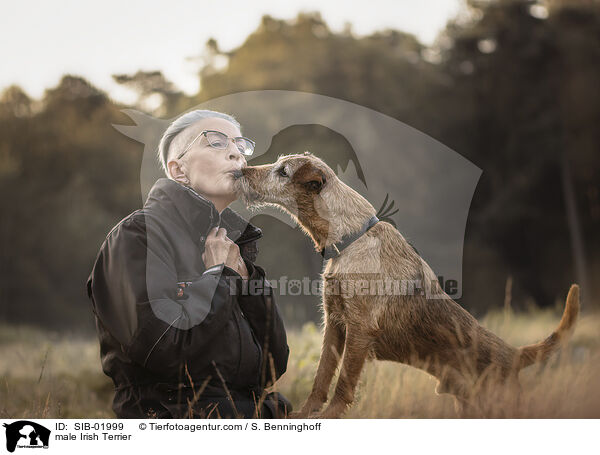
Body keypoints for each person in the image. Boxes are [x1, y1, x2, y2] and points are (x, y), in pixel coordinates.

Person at [86, 109, 292, 418]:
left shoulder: (235, 247)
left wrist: (244, 279)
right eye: (217, 142)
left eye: (240, 145)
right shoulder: (136, 236)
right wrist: (218, 276)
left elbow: (272, 367)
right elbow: (164, 351)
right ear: (179, 170)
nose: (237, 153)